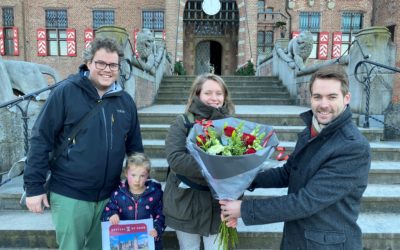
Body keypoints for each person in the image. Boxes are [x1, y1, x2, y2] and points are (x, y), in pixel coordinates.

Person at [220, 65, 371, 249]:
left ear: (346, 98)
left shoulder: (353, 147)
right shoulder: (312, 130)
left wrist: (243, 209)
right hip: (297, 236)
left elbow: (305, 202)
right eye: (317, 97)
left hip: (327, 244)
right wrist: (244, 180)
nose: (323, 104)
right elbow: (288, 173)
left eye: (332, 97)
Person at [23, 37, 144, 250]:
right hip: (70, 194)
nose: (107, 69)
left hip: (110, 198)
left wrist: (138, 185)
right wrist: (33, 187)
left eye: (113, 65)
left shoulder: (125, 101)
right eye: (101, 63)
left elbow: (135, 151)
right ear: (88, 63)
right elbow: (41, 138)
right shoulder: (65, 92)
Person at [164, 73, 235, 250]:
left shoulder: (232, 125)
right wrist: (216, 166)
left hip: (219, 206)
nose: (214, 98)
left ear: (225, 96)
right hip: (187, 203)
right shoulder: (182, 122)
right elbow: (176, 159)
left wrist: (236, 201)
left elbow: (239, 168)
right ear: (197, 95)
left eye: (219, 93)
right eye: (208, 93)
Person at [101, 153, 165, 250]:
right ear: (126, 173)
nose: (137, 180)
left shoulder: (155, 193)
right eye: (133, 175)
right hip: (124, 239)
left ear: (148, 175)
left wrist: (157, 228)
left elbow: (162, 214)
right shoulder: (118, 193)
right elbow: (108, 210)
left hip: (150, 241)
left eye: (142, 176)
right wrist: (112, 215)